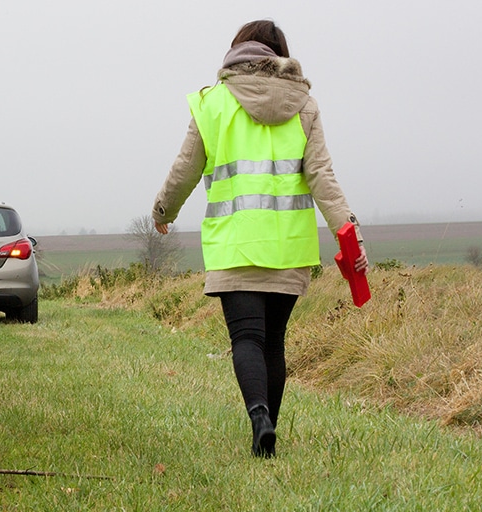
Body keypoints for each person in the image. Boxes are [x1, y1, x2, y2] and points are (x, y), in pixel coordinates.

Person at [151, 20, 368, 458]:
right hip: (289, 246)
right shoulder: (304, 104)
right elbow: (322, 176)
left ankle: (259, 418)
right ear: (280, 55)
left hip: (235, 245)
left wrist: (162, 211)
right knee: (274, 342)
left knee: (246, 339)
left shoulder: (212, 104)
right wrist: (350, 233)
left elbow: (185, 169)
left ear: (237, 52)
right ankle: (268, 437)